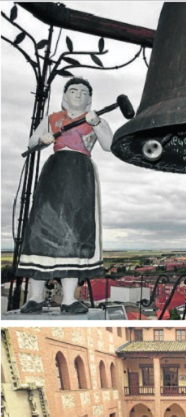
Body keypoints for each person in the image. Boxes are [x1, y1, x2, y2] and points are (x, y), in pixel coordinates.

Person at [16, 78, 113, 314]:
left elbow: (109, 144)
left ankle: (69, 298)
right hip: (54, 174)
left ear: (90, 98)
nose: (78, 94)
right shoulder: (52, 118)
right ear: (65, 95)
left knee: (75, 232)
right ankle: (35, 296)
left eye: (83, 91)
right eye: (73, 90)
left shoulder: (94, 118)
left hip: (80, 177)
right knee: (40, 229)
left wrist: (98, 123)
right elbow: (31, 142)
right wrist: (42, 139)